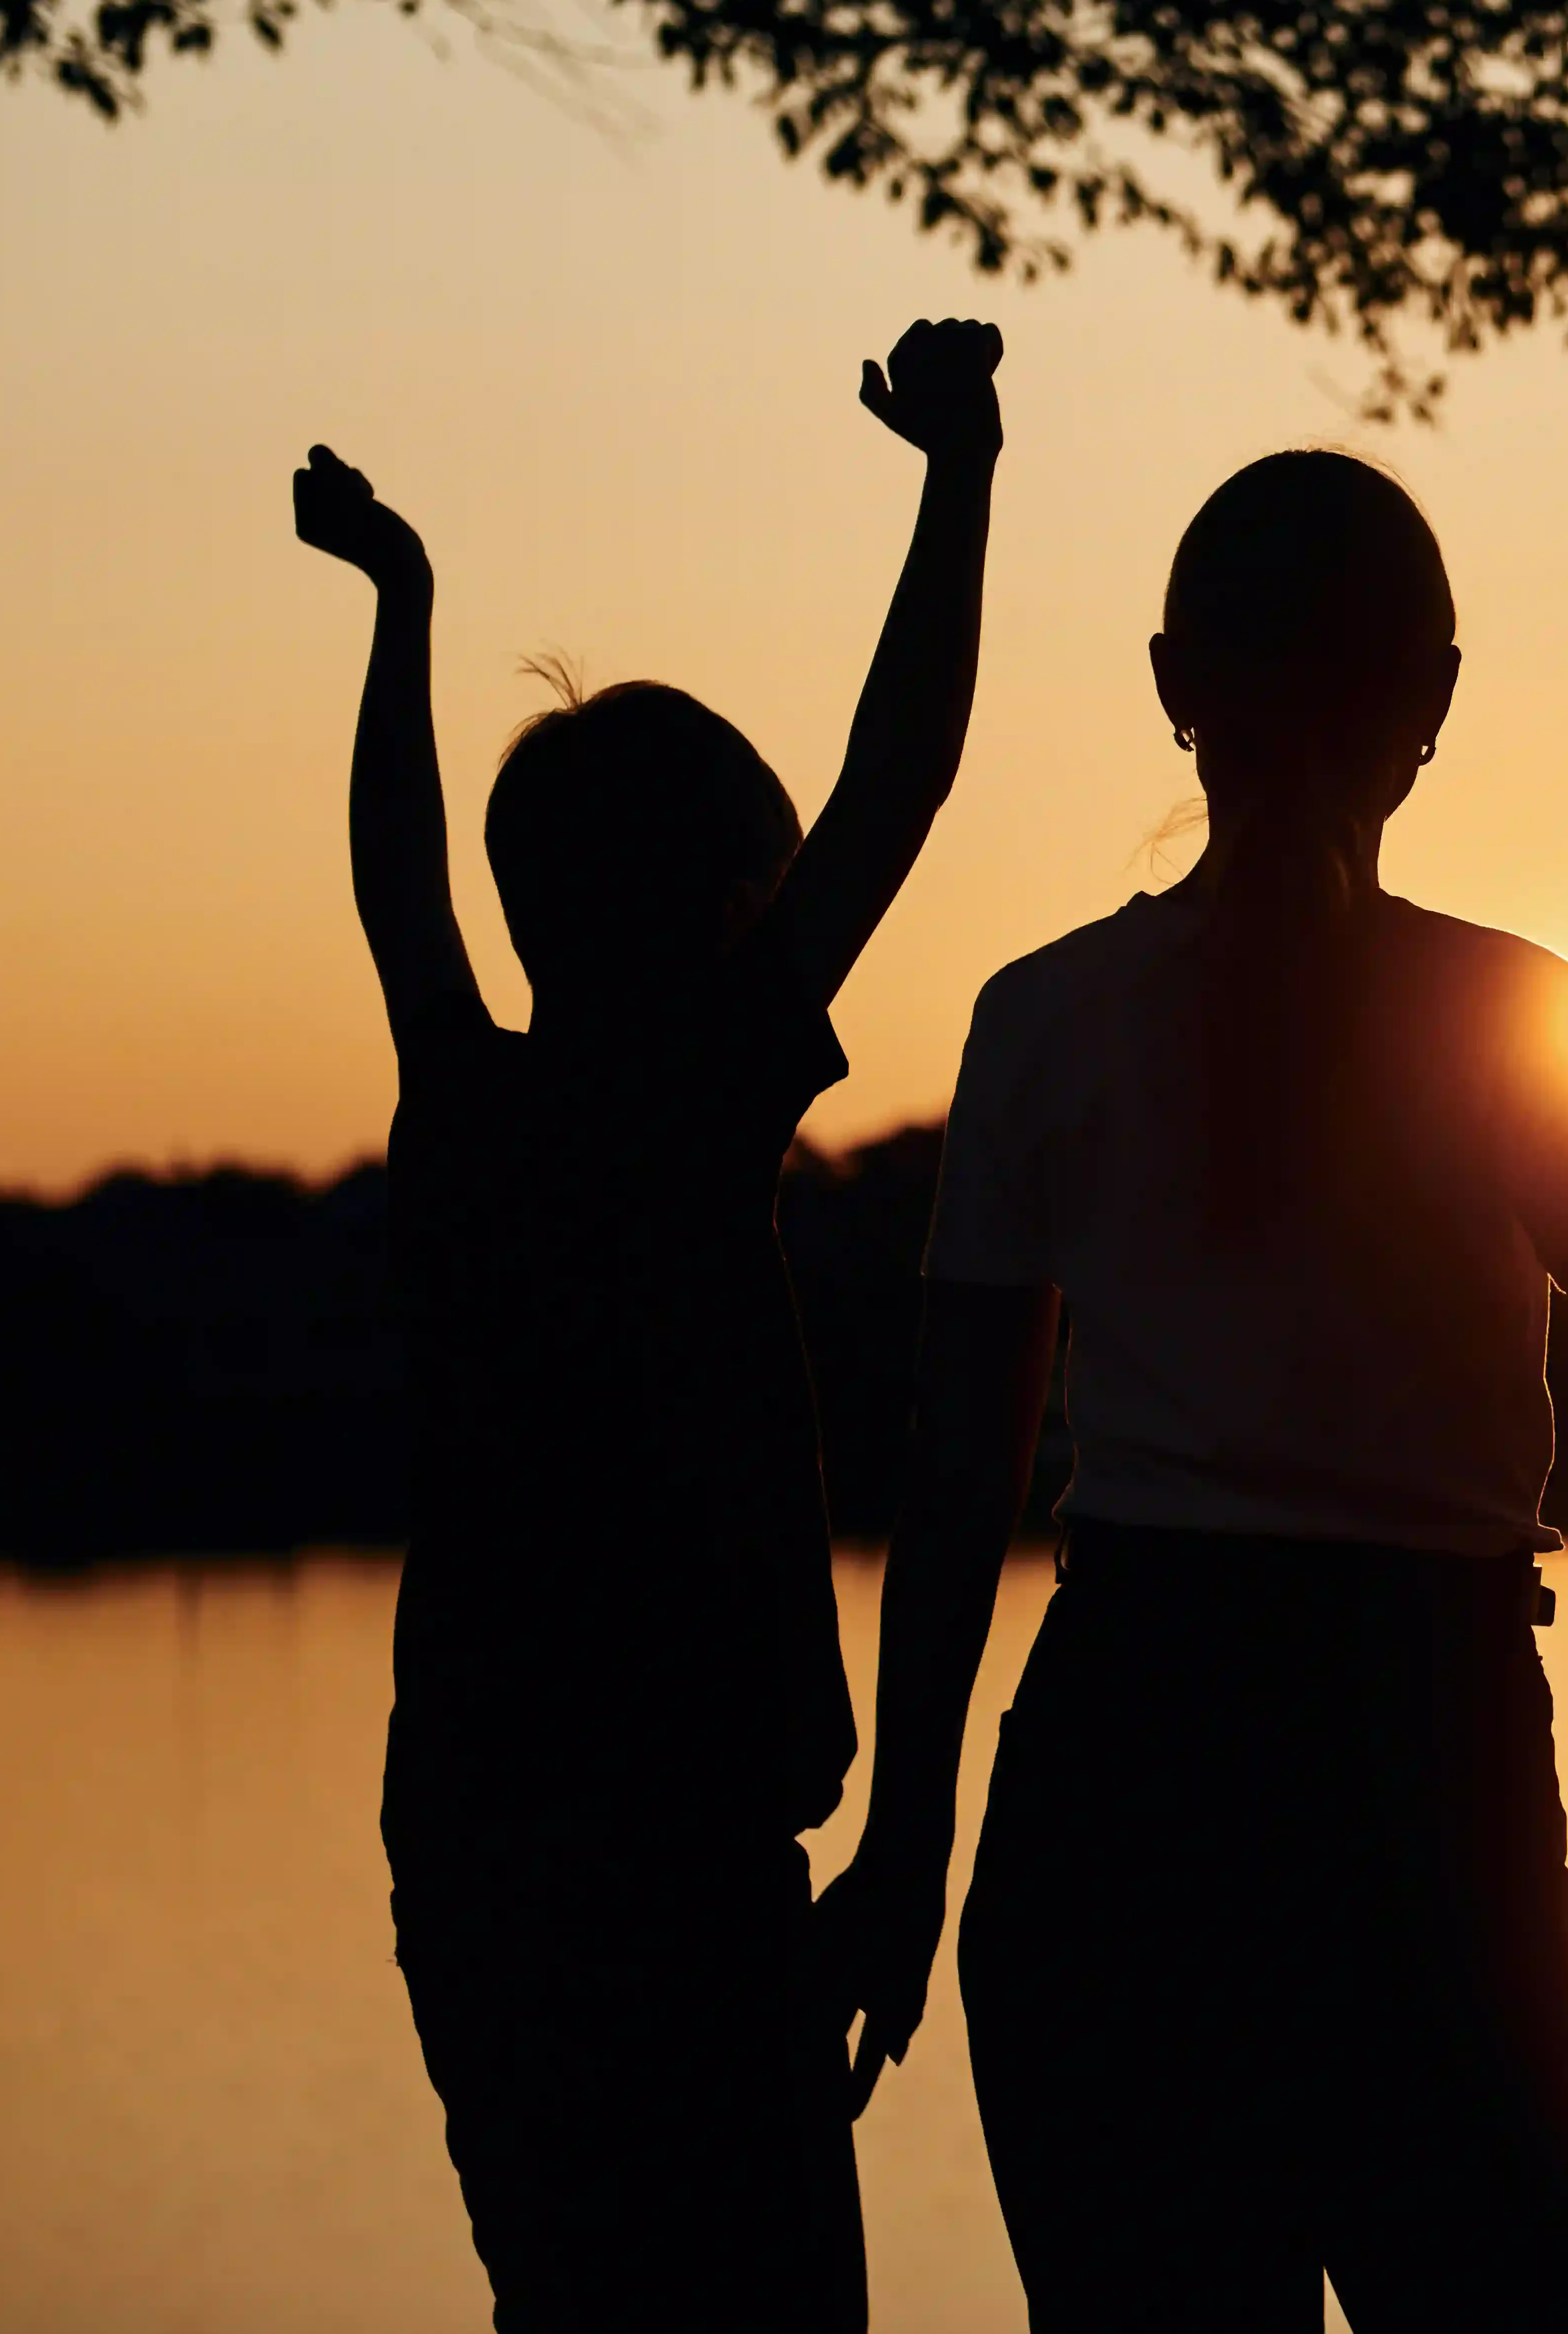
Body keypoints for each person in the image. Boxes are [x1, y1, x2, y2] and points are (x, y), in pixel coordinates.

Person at [812, 449, 1568, 2330]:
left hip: (1119, 1783)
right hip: (1415, 1777)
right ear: (1435, 699)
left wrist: (905, 1847)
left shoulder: (1038, 1018)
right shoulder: (1512, 1019)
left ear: (1168, 683)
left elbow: (953, 1484)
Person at [293, 315, 1005, 2332]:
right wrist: (960, 480)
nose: (801, 903)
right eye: (771, 882)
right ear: (717, 915)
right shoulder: (690, 1103)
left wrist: (402, 606)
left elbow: (398, 890)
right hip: (679, 1871)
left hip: (474, 1846)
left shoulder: (470, 1105)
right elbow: (907, 782)